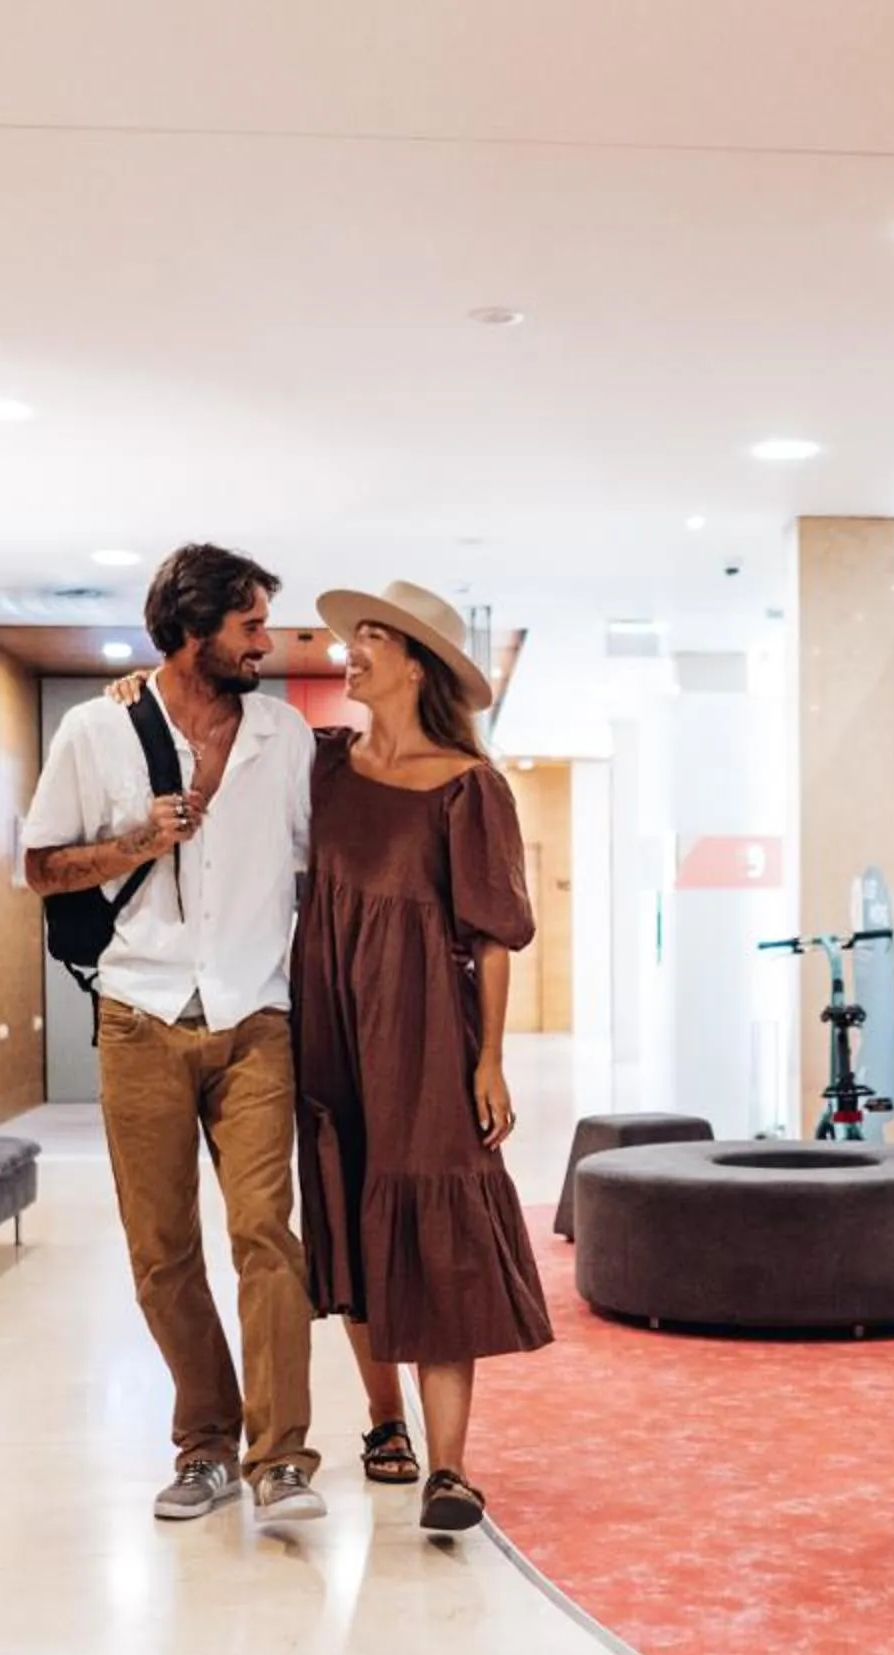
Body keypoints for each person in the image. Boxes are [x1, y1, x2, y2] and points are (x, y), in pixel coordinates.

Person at [20, 543, 325, 1526]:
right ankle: (206, 1442)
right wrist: (135, 843)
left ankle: (282, 1455)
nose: (266, 644)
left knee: (265, 1235)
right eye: (249, 627)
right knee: (161, 1249)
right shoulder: (95, 731)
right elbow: (40, 867)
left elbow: (315, 870)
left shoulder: (283, 735)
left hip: (254, 1020)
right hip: (140, 1017)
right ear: (194, 630)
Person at [295, 579, 553, 1534]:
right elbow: (222, 749)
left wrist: (489, 1060)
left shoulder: (469, 786)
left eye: (369, 639)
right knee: (353, 1204)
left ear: (418, 664)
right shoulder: (322, 766)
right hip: (328, 1022)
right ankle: (381, 1424)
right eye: (352, 638)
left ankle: (452, 1469)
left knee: (436, 1221)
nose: (349, 652)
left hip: (425, 1029)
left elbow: (492, 936)